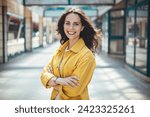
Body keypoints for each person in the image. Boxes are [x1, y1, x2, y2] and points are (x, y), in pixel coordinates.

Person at [40, 8, 100, 100]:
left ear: (82, 27)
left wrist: (52, 81)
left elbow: (74, 89)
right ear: (63, 25)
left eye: (76, 24)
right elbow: (43, 75)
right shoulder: (60, 50)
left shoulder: (86, 56)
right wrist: (60, 80)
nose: (71, 28)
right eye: (67, 23)